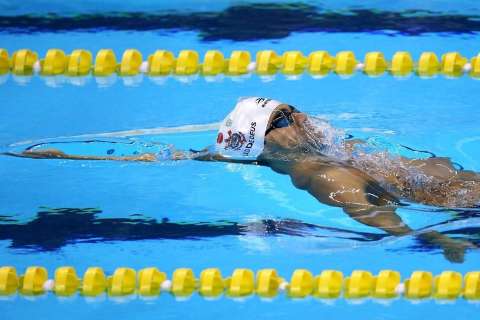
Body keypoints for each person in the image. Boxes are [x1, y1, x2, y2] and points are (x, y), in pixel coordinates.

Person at [5, 97, 479, 262]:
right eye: (281, 119)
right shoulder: (320, 172)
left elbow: (170, 155)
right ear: (269, 146)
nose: (298, 115)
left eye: (288, 108)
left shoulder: (329, 146)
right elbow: (368, 212)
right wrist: (437, 238)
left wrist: (61, 150)